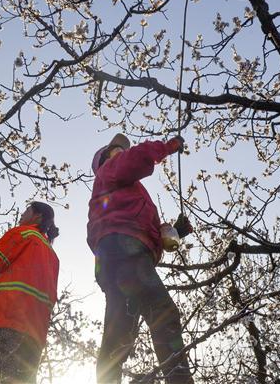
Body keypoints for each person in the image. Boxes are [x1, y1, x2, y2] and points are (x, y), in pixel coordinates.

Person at [88, 133, 195, 384]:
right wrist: (167, 147)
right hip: (126, 252)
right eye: (115, 152)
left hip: (117, 255)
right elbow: (133, 159)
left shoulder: (124, 192)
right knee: (162, 312)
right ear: (105, 158)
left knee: (118, 334)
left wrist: (175, 232)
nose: (120, 155)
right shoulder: (109, 171)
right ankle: (179, 380)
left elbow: (141, 230)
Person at [0, 201, 60, 384]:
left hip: (10, 320)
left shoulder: (22, 234)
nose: (22, 214)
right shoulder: (52, 255)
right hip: (36, 333)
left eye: (26, 210)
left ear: (37, 216)